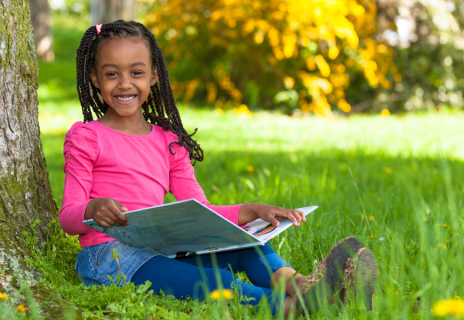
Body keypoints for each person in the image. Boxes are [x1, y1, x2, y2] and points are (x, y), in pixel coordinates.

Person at [59, 20, 377, 317]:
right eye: (112, 74)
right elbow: (68, 217)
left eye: (136, 73)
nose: (125, 83)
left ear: (154, 76)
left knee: (249, 249)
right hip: (111, 258)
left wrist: (250, 210)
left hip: (162, 247)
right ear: (94, 77)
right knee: (212, 282)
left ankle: (304, 288)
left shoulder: (169, 141)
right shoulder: (87, 137)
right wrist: (93, 207)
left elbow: (202, 214)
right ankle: (297, 309)